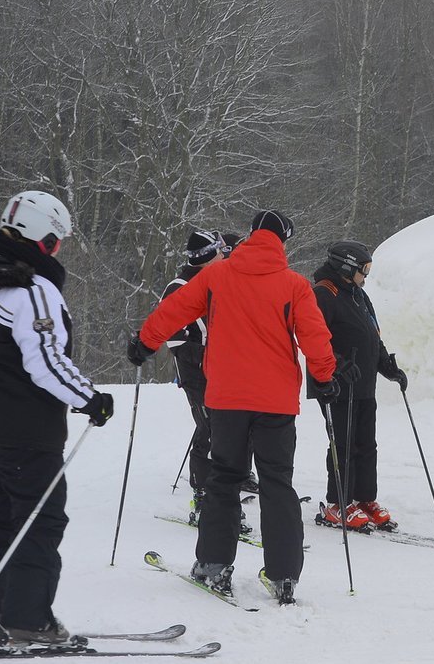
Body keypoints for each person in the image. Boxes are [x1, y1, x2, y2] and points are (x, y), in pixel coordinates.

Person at [127, 209, 337, 604]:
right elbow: (315, 336)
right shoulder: (293, 285)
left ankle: (213, 566)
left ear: (249, 236)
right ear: (282, 241)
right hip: (275, 403)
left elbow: (174, 310)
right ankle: (284, 575)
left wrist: (144, 342)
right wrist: (325, 378)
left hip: (226, 399)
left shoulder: (217, 275)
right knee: (278, 483)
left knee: (223, 478)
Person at [0, 191, 114, 643]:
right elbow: (45, 361)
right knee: (39, 520)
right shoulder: (31, 289)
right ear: (42, 238)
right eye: (56, 241)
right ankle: (28, 621)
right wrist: (90, 398)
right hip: (22, 429)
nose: (57, 250)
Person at [160, 230, 258, 525]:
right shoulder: (179, 287)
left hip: (226, 372)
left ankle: (226, 489)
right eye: (218, 253)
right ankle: (204, 497)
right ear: (205, 258)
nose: (224, 256)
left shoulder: (220, 281)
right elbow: (173, 337)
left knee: (229, 431)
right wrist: (206, 352)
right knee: (209, 430)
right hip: (198, 374)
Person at [307, 242, 407, 531]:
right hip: (335, 385)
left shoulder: (359, 295)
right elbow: (315, 338)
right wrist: (337, 364)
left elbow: (372, 334)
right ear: (347, 267)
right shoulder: (323, 294)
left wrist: (387, 365)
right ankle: (338, 502)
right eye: (364, 270)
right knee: (343, 444)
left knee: (366, 443)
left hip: (363, 383)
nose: (367, 276)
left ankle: (364, 498)